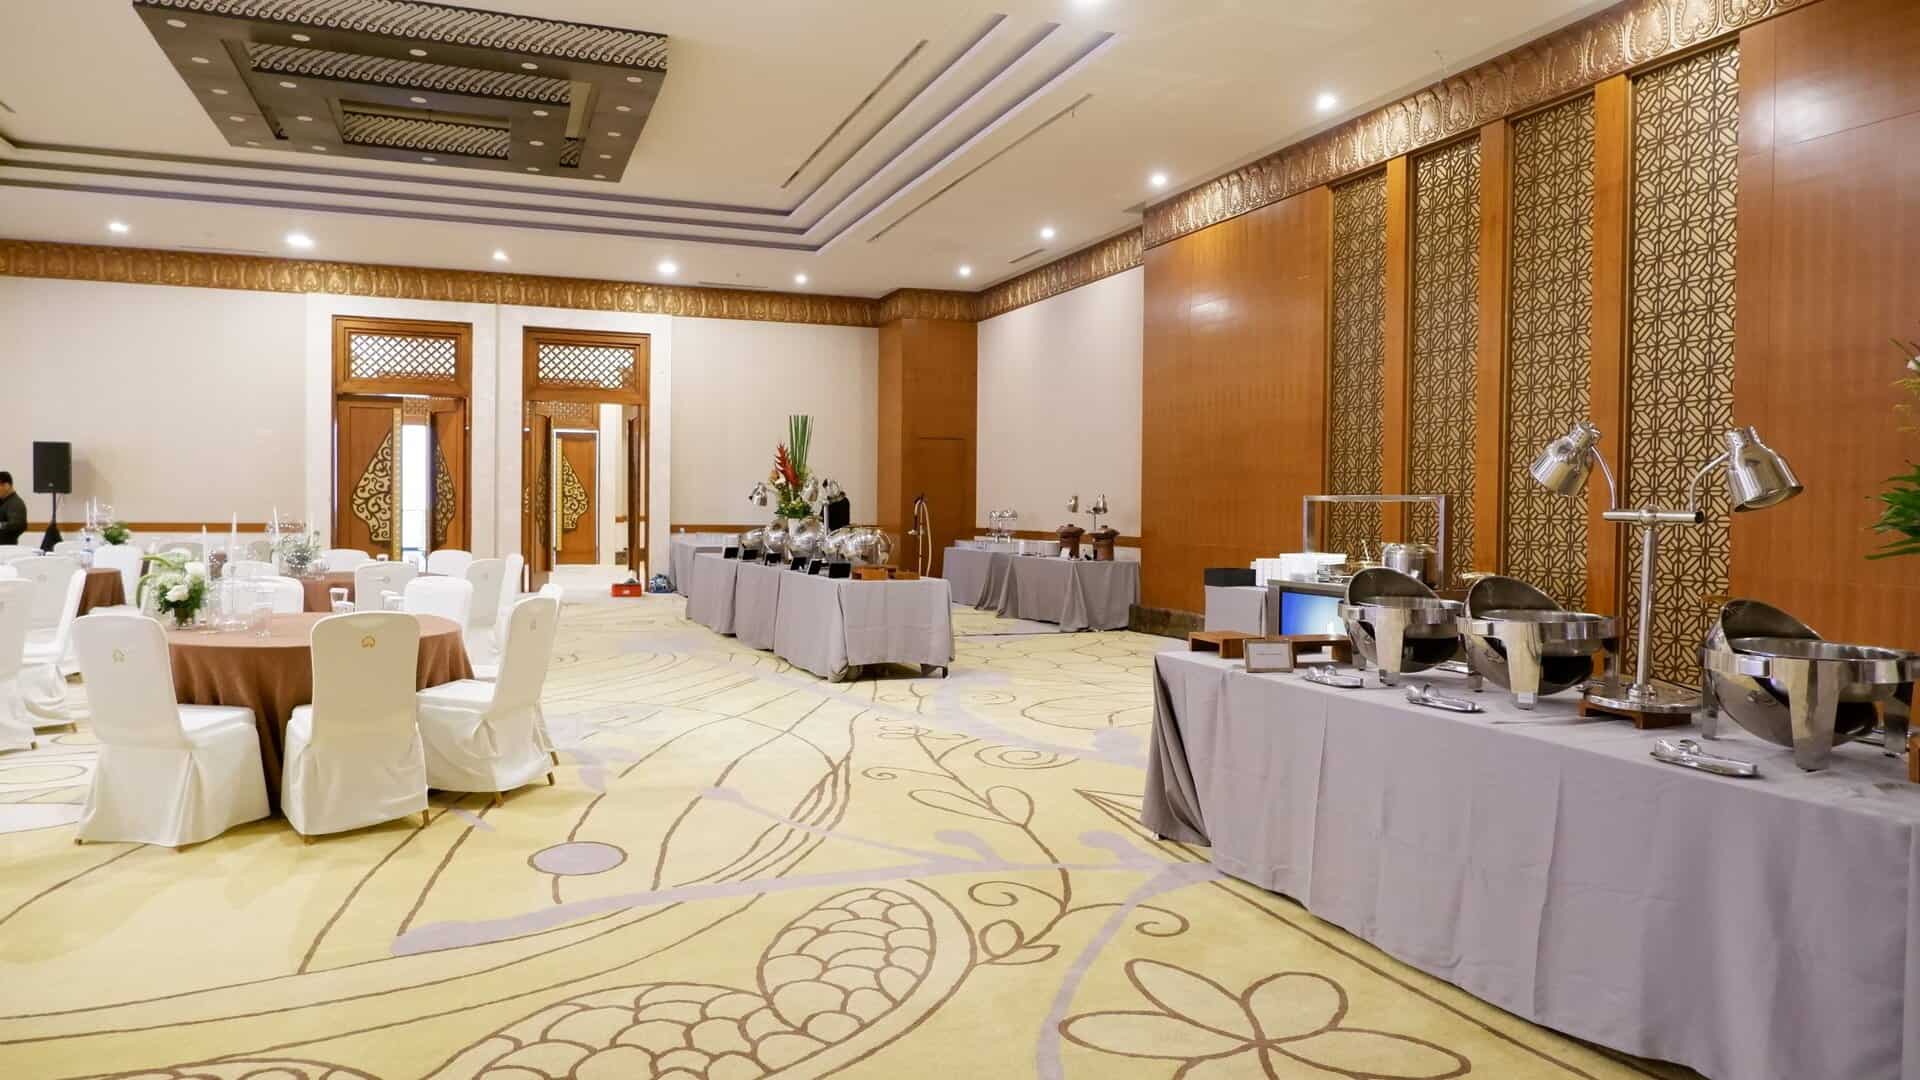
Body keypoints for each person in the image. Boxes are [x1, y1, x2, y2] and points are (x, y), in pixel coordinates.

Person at [0, 472, 25, 546]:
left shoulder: (16, 503)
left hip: (6, 548)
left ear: (6, 486)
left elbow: (17, 525)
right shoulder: (3, 501)